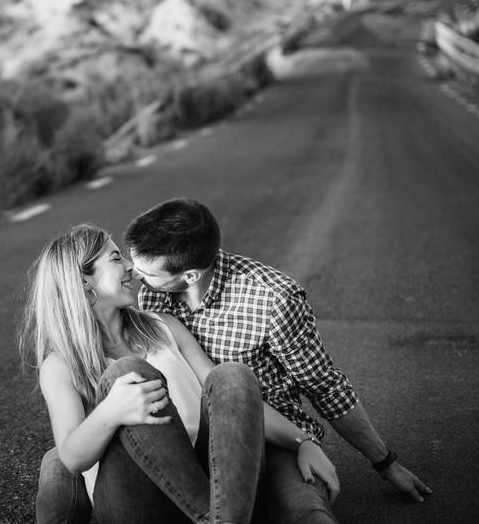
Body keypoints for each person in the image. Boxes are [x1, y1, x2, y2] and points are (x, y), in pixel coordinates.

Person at [123, 198, 433, 522]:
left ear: (189, 276)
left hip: (276, 439)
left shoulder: (273, 298)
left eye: (144, 272)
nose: (134, 276)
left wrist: (384, 462)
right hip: (198, 439)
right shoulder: (153, 294)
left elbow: (324, 387)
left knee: (305, 514)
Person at [21, 223, 340, 524]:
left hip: (212, 482)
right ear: (82, 282)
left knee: (232, 375)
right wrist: (110, 412)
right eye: (116, 258)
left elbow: (233, 402)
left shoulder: (164, 327)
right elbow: (72, 458)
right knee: (130, 371)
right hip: (136, 497)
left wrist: (303, 441)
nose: (132, 266)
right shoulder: (60, 364)